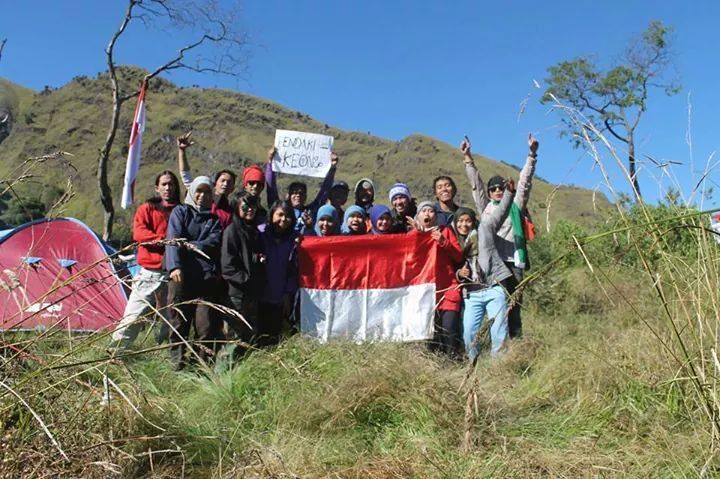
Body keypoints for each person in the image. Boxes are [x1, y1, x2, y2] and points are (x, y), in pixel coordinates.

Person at [461, 134, 539, 339]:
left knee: (514, 305)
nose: (497, 191)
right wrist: (468, 158)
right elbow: (476, 185)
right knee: (496, 307)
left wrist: (531, 155)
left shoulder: (515, 205)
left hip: (513, 261)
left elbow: (524, 183)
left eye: (500, 188)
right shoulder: (485, 209)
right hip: (493, 264)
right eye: (493, 188)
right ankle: (496, 344)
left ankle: (516, 344)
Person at [110, 171, 180, 351]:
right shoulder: (147, 208)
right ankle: (115, 351)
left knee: (170, 317)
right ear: (157, 188)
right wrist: (165, 241)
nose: (167, 187)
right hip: (150, 271)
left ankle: (163, 353)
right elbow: (140, 234)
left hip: (173, 273)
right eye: (163, 184)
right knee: (134, 314)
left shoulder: (181, 210)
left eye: (171, 183)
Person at [460, 148, 518, 360]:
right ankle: (472, 364)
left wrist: (509, 193)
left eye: (467, 219)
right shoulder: (453, 241)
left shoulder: (486, 226)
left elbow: (501, 209)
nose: (464, 224)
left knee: (499, 331)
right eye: (460, 221)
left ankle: (499, 368)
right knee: (468, 333)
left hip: (493, 287)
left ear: (473, 220)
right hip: (472, 293)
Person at [165, 176, 224, 369]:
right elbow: (173, 239)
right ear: (191, 192)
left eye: (207, 191)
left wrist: (189, 244)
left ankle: (201, 367)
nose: (202, 195)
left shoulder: (215, 221)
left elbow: (214, 243)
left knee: (205, 326)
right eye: (199, 190)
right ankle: (177, 366)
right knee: (178, 323)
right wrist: (174, 266)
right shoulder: (180, 212)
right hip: (180, 277)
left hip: (205, 281)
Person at [411, 201, 465, 356]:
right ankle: (435, 368)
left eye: (431, 211)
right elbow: (408, 261)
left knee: (449, 330)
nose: (427, 214)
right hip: (425, 292)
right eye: (424, 211)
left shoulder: (445, 231)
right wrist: (417, 236)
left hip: (448, 289)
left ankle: (454, 364)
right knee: (431, 334)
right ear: (418, 215)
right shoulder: (412, 234)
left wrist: (443, 242)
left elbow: (458, 256)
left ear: (436, 215)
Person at [221, 193, 265, 354]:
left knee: (250, 336)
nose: (250, 210)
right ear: (236, 208)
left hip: (252, 293)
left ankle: (243, 374)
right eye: (245, 207)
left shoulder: (254, 231)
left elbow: (248, 256)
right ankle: (224, 374)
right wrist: (247, 279)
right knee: (234, 339)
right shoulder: (231, 231)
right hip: (237, 295)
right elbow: (227, 267)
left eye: (253, 206)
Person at [265, 147, 339, 234]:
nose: (298, 195)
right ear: (288, 196)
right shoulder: (279, 210)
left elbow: (324, 192)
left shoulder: (310, 211)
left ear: (306, 196)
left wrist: (332, 167)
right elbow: (271, 189)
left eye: (301, 193)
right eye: (294, 193)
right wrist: (270, 163)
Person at [258, 201, 300, 345]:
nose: (283, 219)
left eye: (288, 216)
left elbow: (293, 269)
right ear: (271, 215)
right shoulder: (260, 233)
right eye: (280, 215)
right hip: (258, 294)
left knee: (275, 339)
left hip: (279, 296)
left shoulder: (295, 239)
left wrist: (288, 294)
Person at [176, 131, 235, 228]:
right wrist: (182, 151)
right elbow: (185, 175)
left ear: (232, 189)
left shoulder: (230, 212)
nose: (225, 184)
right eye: (223, 180)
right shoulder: (202, 195)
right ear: (215, 184)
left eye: (229, 182)